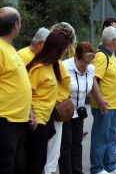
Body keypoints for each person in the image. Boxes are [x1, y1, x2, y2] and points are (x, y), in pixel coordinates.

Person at [25, 30, 73, 174]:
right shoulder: (37, 68)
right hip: (36, 123)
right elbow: (26, 95)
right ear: (57, 49)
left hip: (47, 120)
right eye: (64, 49)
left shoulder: (53, 65)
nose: (65, 52)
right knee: (34, 163)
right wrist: (31, 115)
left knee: (41, 162)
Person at [59, 42, 107, 174]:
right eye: (82, 64)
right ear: (76, 57)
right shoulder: (64, 66)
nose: (85, 67)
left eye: (88, 63)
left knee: (77, 143)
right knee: (66, 144)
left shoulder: (90, 68)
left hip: (79, 110)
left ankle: (77, 171)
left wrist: (100, 101)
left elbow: (92, 86)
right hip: (65, 111)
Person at [90, 26, 116, 174]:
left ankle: (110, 166)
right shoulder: (101, 56)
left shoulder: (112, 55)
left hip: (115, 104)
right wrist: (99, 101)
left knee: (111, 137)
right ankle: (97, 168)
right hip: (104, 105)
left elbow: (111, 79)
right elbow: (93, 80)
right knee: (101, 138)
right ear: (113, 41)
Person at [0, 7, 32, 174]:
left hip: (18, 120)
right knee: (5, 165)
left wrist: (29, 110)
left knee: (17, 165)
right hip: (5, 120)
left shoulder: (9, 47)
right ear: (15, 25)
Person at [44, 22, 77, 174]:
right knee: (50, 153)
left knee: (55, 152)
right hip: (50, 111)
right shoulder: (47, 62)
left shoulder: (56, 61)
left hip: (58, 112)